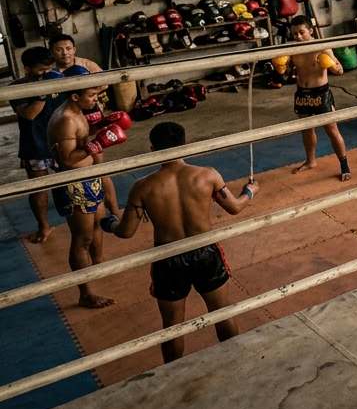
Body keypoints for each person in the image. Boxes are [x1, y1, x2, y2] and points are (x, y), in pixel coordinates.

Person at [100, 121, 257, 363]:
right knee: (222, 313)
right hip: (205, 252)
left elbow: (125, 232)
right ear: (185, 145)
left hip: (168, 259)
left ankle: (172, 374)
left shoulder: (142, 187)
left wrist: (108, 223)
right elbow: (235, 207)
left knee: (172, 325)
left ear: (153, 149)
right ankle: (235, 362)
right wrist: (250, 191)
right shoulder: (208, 176)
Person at [47, 86, 127, 309]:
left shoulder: (78, 111)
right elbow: (68, 160)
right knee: (82, 239)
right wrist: (99, 142)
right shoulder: (66, 119)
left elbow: (80, 140)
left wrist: (100, 126)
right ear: (75, 96)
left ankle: (97, 264)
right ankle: (85, 293)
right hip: (74, 183)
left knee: (96, 227)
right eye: (91, 95)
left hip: (88, 178)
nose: (96, 99)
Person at [277, 15, 351, 181]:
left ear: (310, 30)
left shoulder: (322, 47)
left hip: (321, 93)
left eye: (301, 32)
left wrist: (330, 64)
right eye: (294, 34)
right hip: (302, 94)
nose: (298, 36)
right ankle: (311, 161)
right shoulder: (293, 50)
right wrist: (281, 68)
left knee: (331, 129)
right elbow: (285, 74)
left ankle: (344, 164)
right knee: (307, 130)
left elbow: (340, 70)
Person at [11, 47, 63, 243]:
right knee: (39, 188)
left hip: (60, 140)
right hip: (34, 143)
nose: (46, 72)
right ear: (27, 68)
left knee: (71, 180)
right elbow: (30, 114)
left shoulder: (57, 78)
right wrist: (42, 93)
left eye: (49, 68)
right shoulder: (17, 87)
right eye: (41, 69)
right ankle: (44, 227)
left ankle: (79, 216)